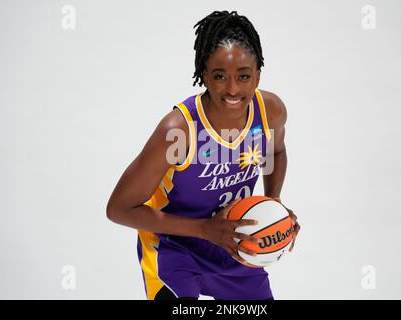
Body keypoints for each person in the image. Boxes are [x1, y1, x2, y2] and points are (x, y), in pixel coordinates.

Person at [106, 10, 300, 300]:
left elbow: (277, 151)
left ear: (258, 74)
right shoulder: (178, 130)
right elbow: (119, 209)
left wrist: (274, 206)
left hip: (233, 243)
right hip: (173, 247)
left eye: (244, 76)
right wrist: (205, 229)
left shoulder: (270, 112)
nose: (233, 89)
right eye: (220, 76)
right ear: (204, 75)